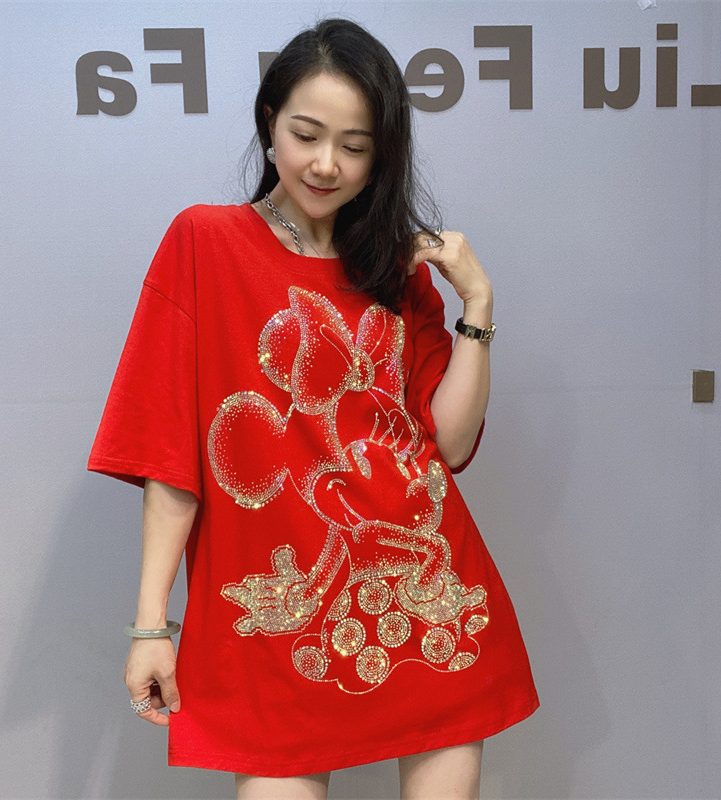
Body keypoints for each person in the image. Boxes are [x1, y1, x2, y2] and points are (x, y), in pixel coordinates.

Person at [89, 18, 538, 800]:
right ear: (270, 125)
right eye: (306, 135)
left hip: (421, 585)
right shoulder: (205, 243)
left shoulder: (396, 270)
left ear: (381, 155)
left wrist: (478, 305)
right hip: (282, 620)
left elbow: (450, 444)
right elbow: (170, 454)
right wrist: (151, 624)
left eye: (355, 146)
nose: (326, 164)